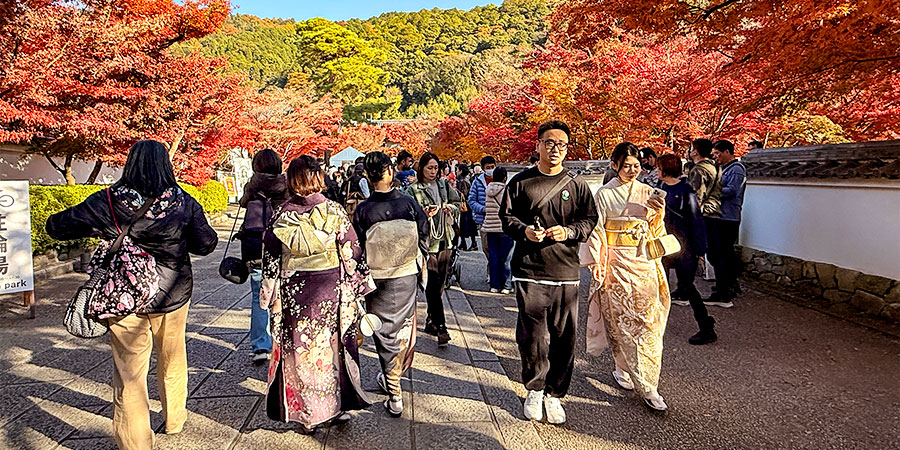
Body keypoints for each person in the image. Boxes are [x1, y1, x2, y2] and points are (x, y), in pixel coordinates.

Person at [46, 140, 218, 449]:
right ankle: (175, 419)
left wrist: (102, 231)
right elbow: (205, 244)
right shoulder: (183, 202)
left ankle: (135, 443)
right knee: (173, 357)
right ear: (166, 165)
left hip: (123, 295)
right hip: (173, 294)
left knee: (129, 373)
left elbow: (57, 227)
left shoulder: (108, 201)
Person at [260, 155, 374, 433]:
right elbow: (352, 251)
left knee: (301, 351)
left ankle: (308, 414)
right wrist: (360, 284)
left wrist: (268, 294)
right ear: (319, 178)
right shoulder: (334, 210)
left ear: (292, 181)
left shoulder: (282, 213)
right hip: (331, 291)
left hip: (296, 293)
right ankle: (335, 409)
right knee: (331, 349)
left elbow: (271, 259)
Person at [500, 120, 598, 424]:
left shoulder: (577, 185)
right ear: (538, 145)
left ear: (567, 149)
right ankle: (535, 388)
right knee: (532, 337)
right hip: (530, 270)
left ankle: (556, 393)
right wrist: (525, 231)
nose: (555, 149)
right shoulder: (520, 182)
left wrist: (567, 232)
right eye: (549, 143)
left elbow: (589, 221)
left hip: (566, 271)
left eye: (561, 145)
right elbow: (507, 218)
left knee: (564, 336)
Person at [584, 141, 671, 411]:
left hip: (644, 261)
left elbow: (657, 229)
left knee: (649, 324)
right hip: (616, 264)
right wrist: (597, 263)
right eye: (626, 166)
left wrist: (657, 214)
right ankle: (622, 368)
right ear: (615, 166)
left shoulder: (648, 191)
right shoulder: (603, 195)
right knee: (620, 323)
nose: (632, 170)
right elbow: (597, 231)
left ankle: (649, 384)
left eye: (636, 166)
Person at [352, 151, 428, 417]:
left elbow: (356, 248)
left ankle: (394, 390)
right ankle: (394, 382)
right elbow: (424, 233)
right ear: (390, 172)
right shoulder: (408, 204)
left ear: (368, 176)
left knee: (384, 331)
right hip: (406, 275)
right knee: (404, 328)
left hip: (377, 278)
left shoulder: (363, 210)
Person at [657, 154, 716, 345]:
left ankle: (706, 327)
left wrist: (700, 248)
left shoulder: (686, 191)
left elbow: (696, 219)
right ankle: (655, 325)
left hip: (684, 245)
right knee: (661, 285)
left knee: (687, 286)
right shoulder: (661, 188)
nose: (657, 171)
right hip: (665, 243)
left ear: (666, 169)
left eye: (659, 167)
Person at [238, 149, 290, 364]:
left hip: (255, 248)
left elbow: (242, 203)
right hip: (281, 246)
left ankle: (261, 346)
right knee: (285, 294)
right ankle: (284, 341)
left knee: (257, 297)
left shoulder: (252, 186)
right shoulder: (286, 186)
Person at [405, 152, 461, 347]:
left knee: (439, 285)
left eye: (436, 168)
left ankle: (431, 319)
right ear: (421, 168)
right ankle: (441, 326)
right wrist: (423, 213)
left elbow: (458, 204)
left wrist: (450, 209)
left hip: (445, 240)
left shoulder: (444, 185)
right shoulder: (413, 190)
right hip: (426, 243)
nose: (433, 171)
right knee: (432, 281)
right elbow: (407, 213)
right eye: (429, 167)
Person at [687, 138, 727, 307]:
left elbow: (696, 197)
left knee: (708, 253)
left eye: (691, 148)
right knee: (716, 254)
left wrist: (690, 217)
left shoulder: (699, 170)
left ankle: (721, 293)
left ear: (695, 151)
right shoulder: (713, 167)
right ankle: (723, 290)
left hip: (704, 215)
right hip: (715, 212)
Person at [709, 139, 747, 304]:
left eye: (717, 154)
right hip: (720, 216)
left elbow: (732, 190)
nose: (715, 157)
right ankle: (727, 285)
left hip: (728, 217)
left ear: (727, 152)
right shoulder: (724, 168)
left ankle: (724, 290)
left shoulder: (737, 169)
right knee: (718, 253)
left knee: (721, 254)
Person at [483, 167, 513, 294]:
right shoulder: (506, 190)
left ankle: (494, 285)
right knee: (506, 258)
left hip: (490, 228)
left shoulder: (488, 190)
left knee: (493, 258)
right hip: (504, 228)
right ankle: (506, 285)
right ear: (505, 178)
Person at [468, 155, 497, 255]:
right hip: (483, 220)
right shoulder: (477, 182)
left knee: (499, 249)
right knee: (486, 248)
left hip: (498, 220)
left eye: (492, 167)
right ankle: (492, 267)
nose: (490, 170)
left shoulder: (501, 179)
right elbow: (471, 201)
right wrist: (483, 209)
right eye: (488, 168)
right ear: (483, 169)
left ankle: (495, 268)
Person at [456, 164, 478, 251]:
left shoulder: (462, 181)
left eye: (457, 170)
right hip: (468, 205)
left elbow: (464, 193)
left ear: (461, 171)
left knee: (466, 224)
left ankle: (472, 243)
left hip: (466, 205)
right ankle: (465, 242)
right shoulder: (468, 179)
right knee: (466, 224)